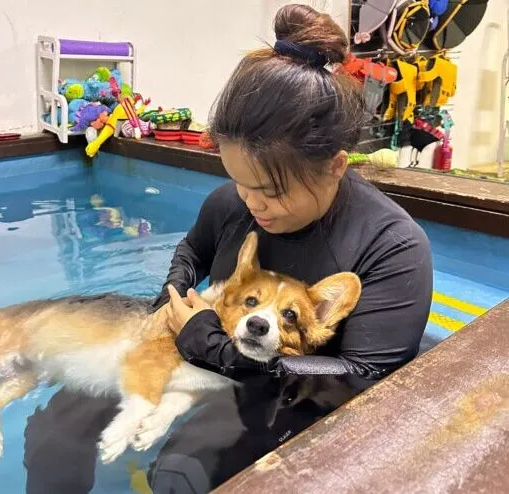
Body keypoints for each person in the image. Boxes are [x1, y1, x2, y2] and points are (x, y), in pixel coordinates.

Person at [23, 4, 433, 493]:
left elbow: (361, 378)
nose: (252, 203)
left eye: (272, 191)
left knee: (181, 473)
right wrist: (171, 296)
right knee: (51, 433)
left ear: (335, 166)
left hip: (283, 394)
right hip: (192, 349)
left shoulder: (391, 248)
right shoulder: (231, 203)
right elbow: (192, 253)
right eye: (239, 181)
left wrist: (207, 342)